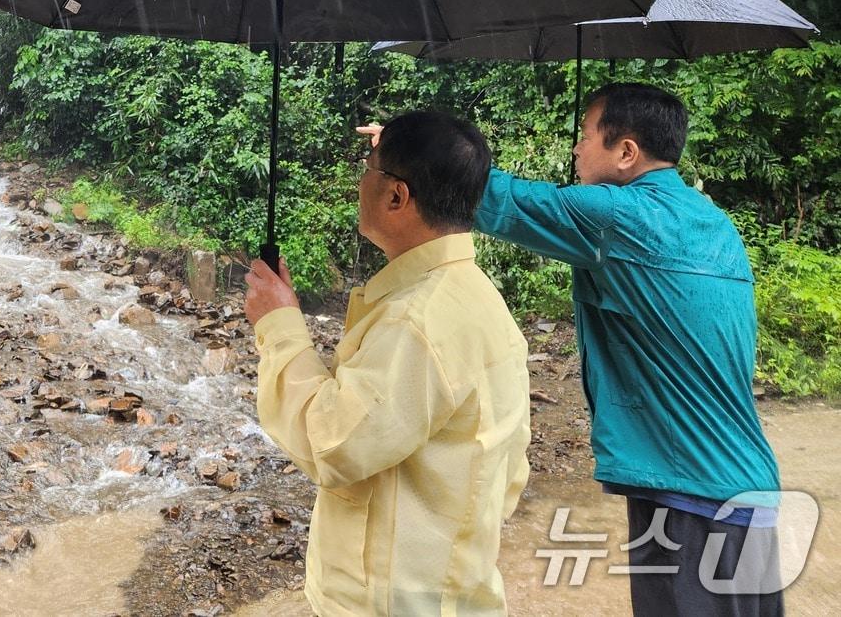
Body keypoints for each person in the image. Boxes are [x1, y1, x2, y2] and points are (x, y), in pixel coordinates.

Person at [469, 81, 784, 616]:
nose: (575, 148)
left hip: (691, 496)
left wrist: (411, 152)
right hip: (745, 490)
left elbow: (497, 200)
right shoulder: (713, 222)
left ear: (626, 152)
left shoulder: (621, 218)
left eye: (586, 134)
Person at [245, 110, 530, 617]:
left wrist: (281, 326)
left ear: (396, 196)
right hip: (452, 586)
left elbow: (332, 443)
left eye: (368, 169)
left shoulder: (415, 322)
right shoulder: (476, 299)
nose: (361, 182)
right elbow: (510, 469)